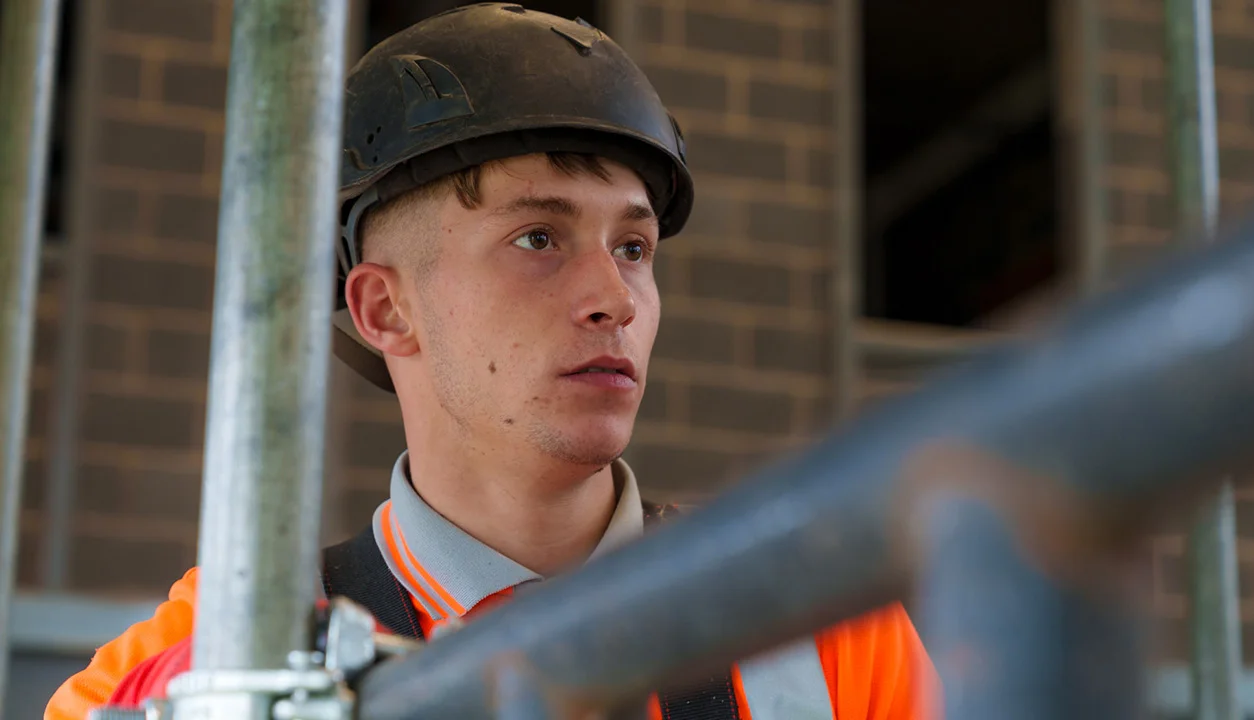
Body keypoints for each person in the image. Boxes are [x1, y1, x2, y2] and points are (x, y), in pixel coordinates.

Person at [45, 5, 938, 719]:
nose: (615, 299)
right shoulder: (229, 649)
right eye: (539, 237)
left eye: (633, 247)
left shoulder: (818, 616)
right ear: (385, 310)